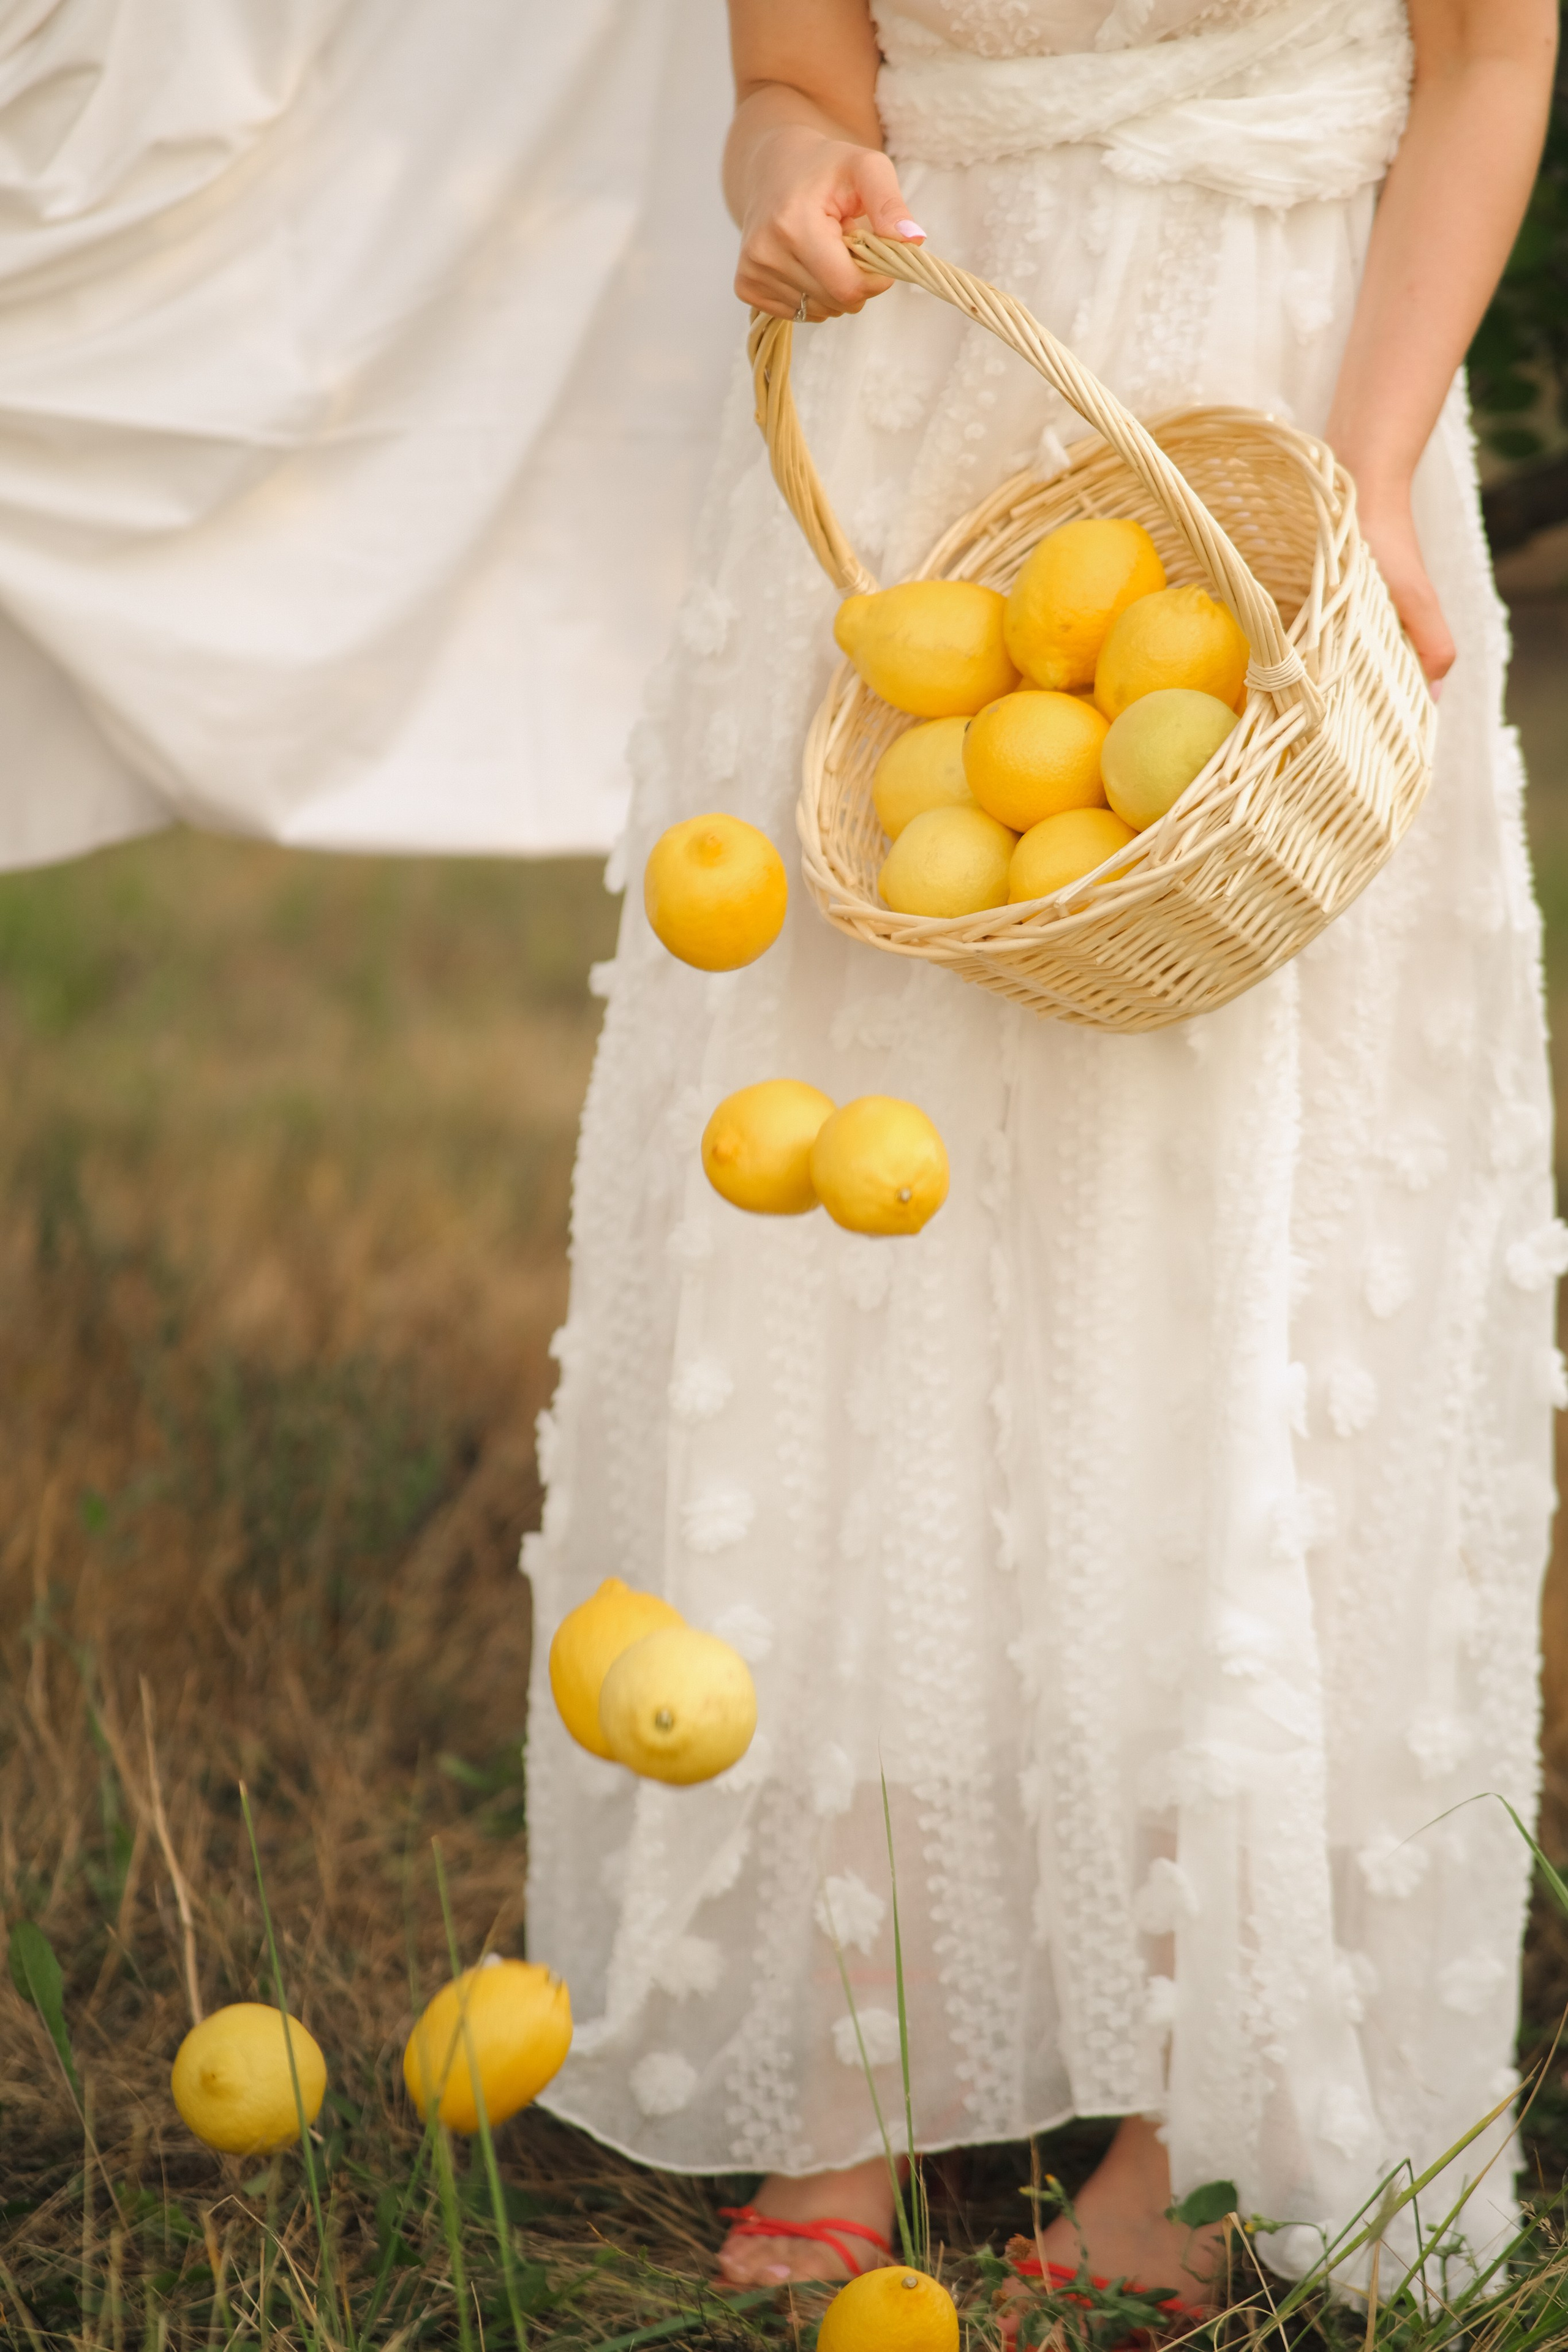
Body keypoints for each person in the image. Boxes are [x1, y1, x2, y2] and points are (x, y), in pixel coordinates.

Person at [524, 0, 1562, 2303]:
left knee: (1245, 1225)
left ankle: (1200, 2094)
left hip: (1292, 393)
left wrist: (1370, 464)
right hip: (932, 445)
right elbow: (795, 82)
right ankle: (855, 2030)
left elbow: (1493, 56)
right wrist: (782, 186)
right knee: (878, 1218)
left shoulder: (1331, 431)